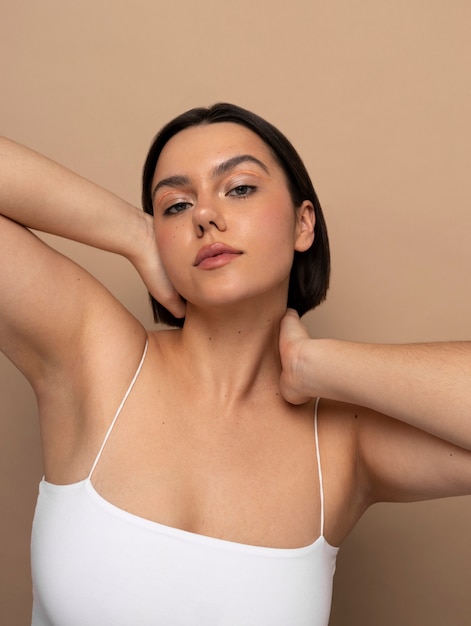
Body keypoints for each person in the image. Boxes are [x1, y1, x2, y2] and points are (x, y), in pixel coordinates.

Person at [0, 103, 470, 626]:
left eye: (240, 188)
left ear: (303, 224)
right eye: (175, 206)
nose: (204, 214)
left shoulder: (342, 444)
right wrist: (133, 232)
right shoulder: (94, 358)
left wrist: (322, 364)